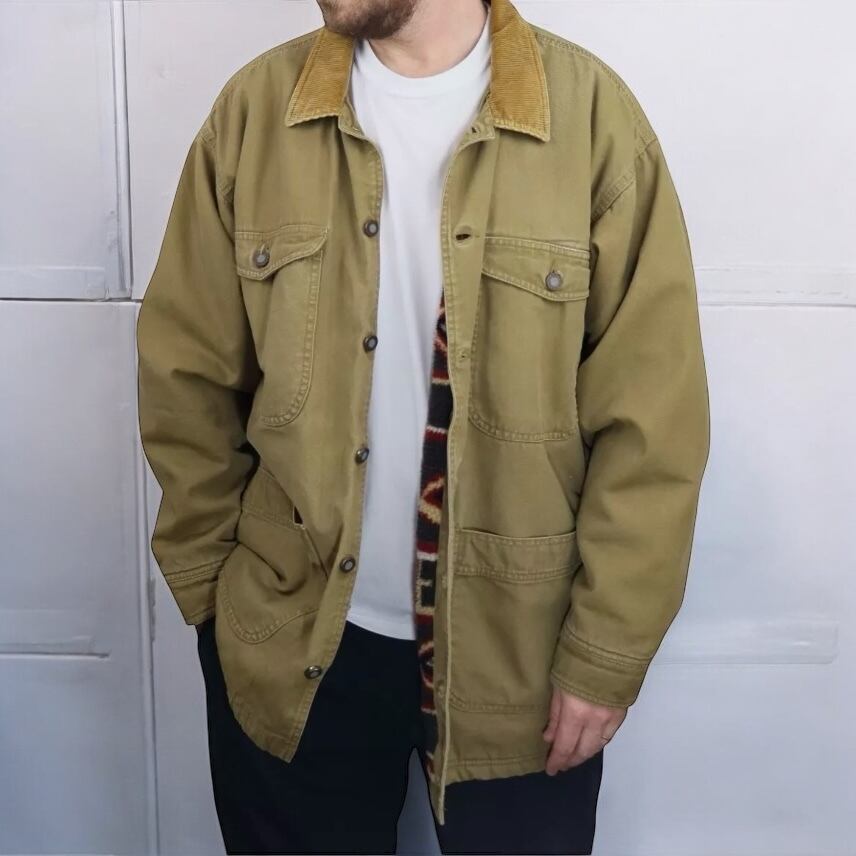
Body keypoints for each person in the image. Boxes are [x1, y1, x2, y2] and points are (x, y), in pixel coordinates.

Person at [136, 0, 710, 851]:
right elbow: (185, 373)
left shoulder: (592, 120)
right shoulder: (255, 113)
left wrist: (606, 652)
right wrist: (211, 591)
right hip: (290, 640)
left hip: (520, 657)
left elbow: (653, 423)